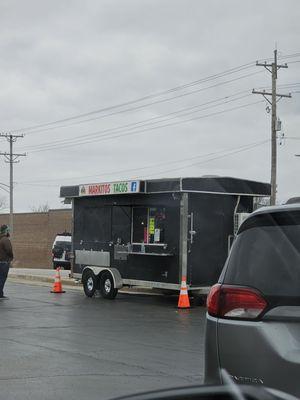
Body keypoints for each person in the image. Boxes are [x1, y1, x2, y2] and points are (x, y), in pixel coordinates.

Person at [0, 224, 13, 299]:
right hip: (4, 262)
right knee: (2, 278)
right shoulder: (5, 240)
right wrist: (11, 257)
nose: (9, 232)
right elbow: (9, 250)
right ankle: (0, 294)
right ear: (6, 231)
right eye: (8, 231)